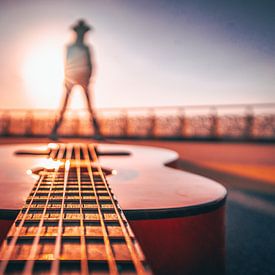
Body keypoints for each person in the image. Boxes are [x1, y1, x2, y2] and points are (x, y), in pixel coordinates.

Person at [50, 19, 101, 139]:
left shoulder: (87, 48)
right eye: (80, 32)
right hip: (71, 79)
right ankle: (54, 131)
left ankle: (97, 133)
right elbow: (66, 63)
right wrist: (67, 78)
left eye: (84, 32)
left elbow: (91, 64)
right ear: (76, 32)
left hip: (84, 79)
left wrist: (89, 78)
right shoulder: (69, 47)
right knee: (63, 106)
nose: (82, 34)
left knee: (90, 107)